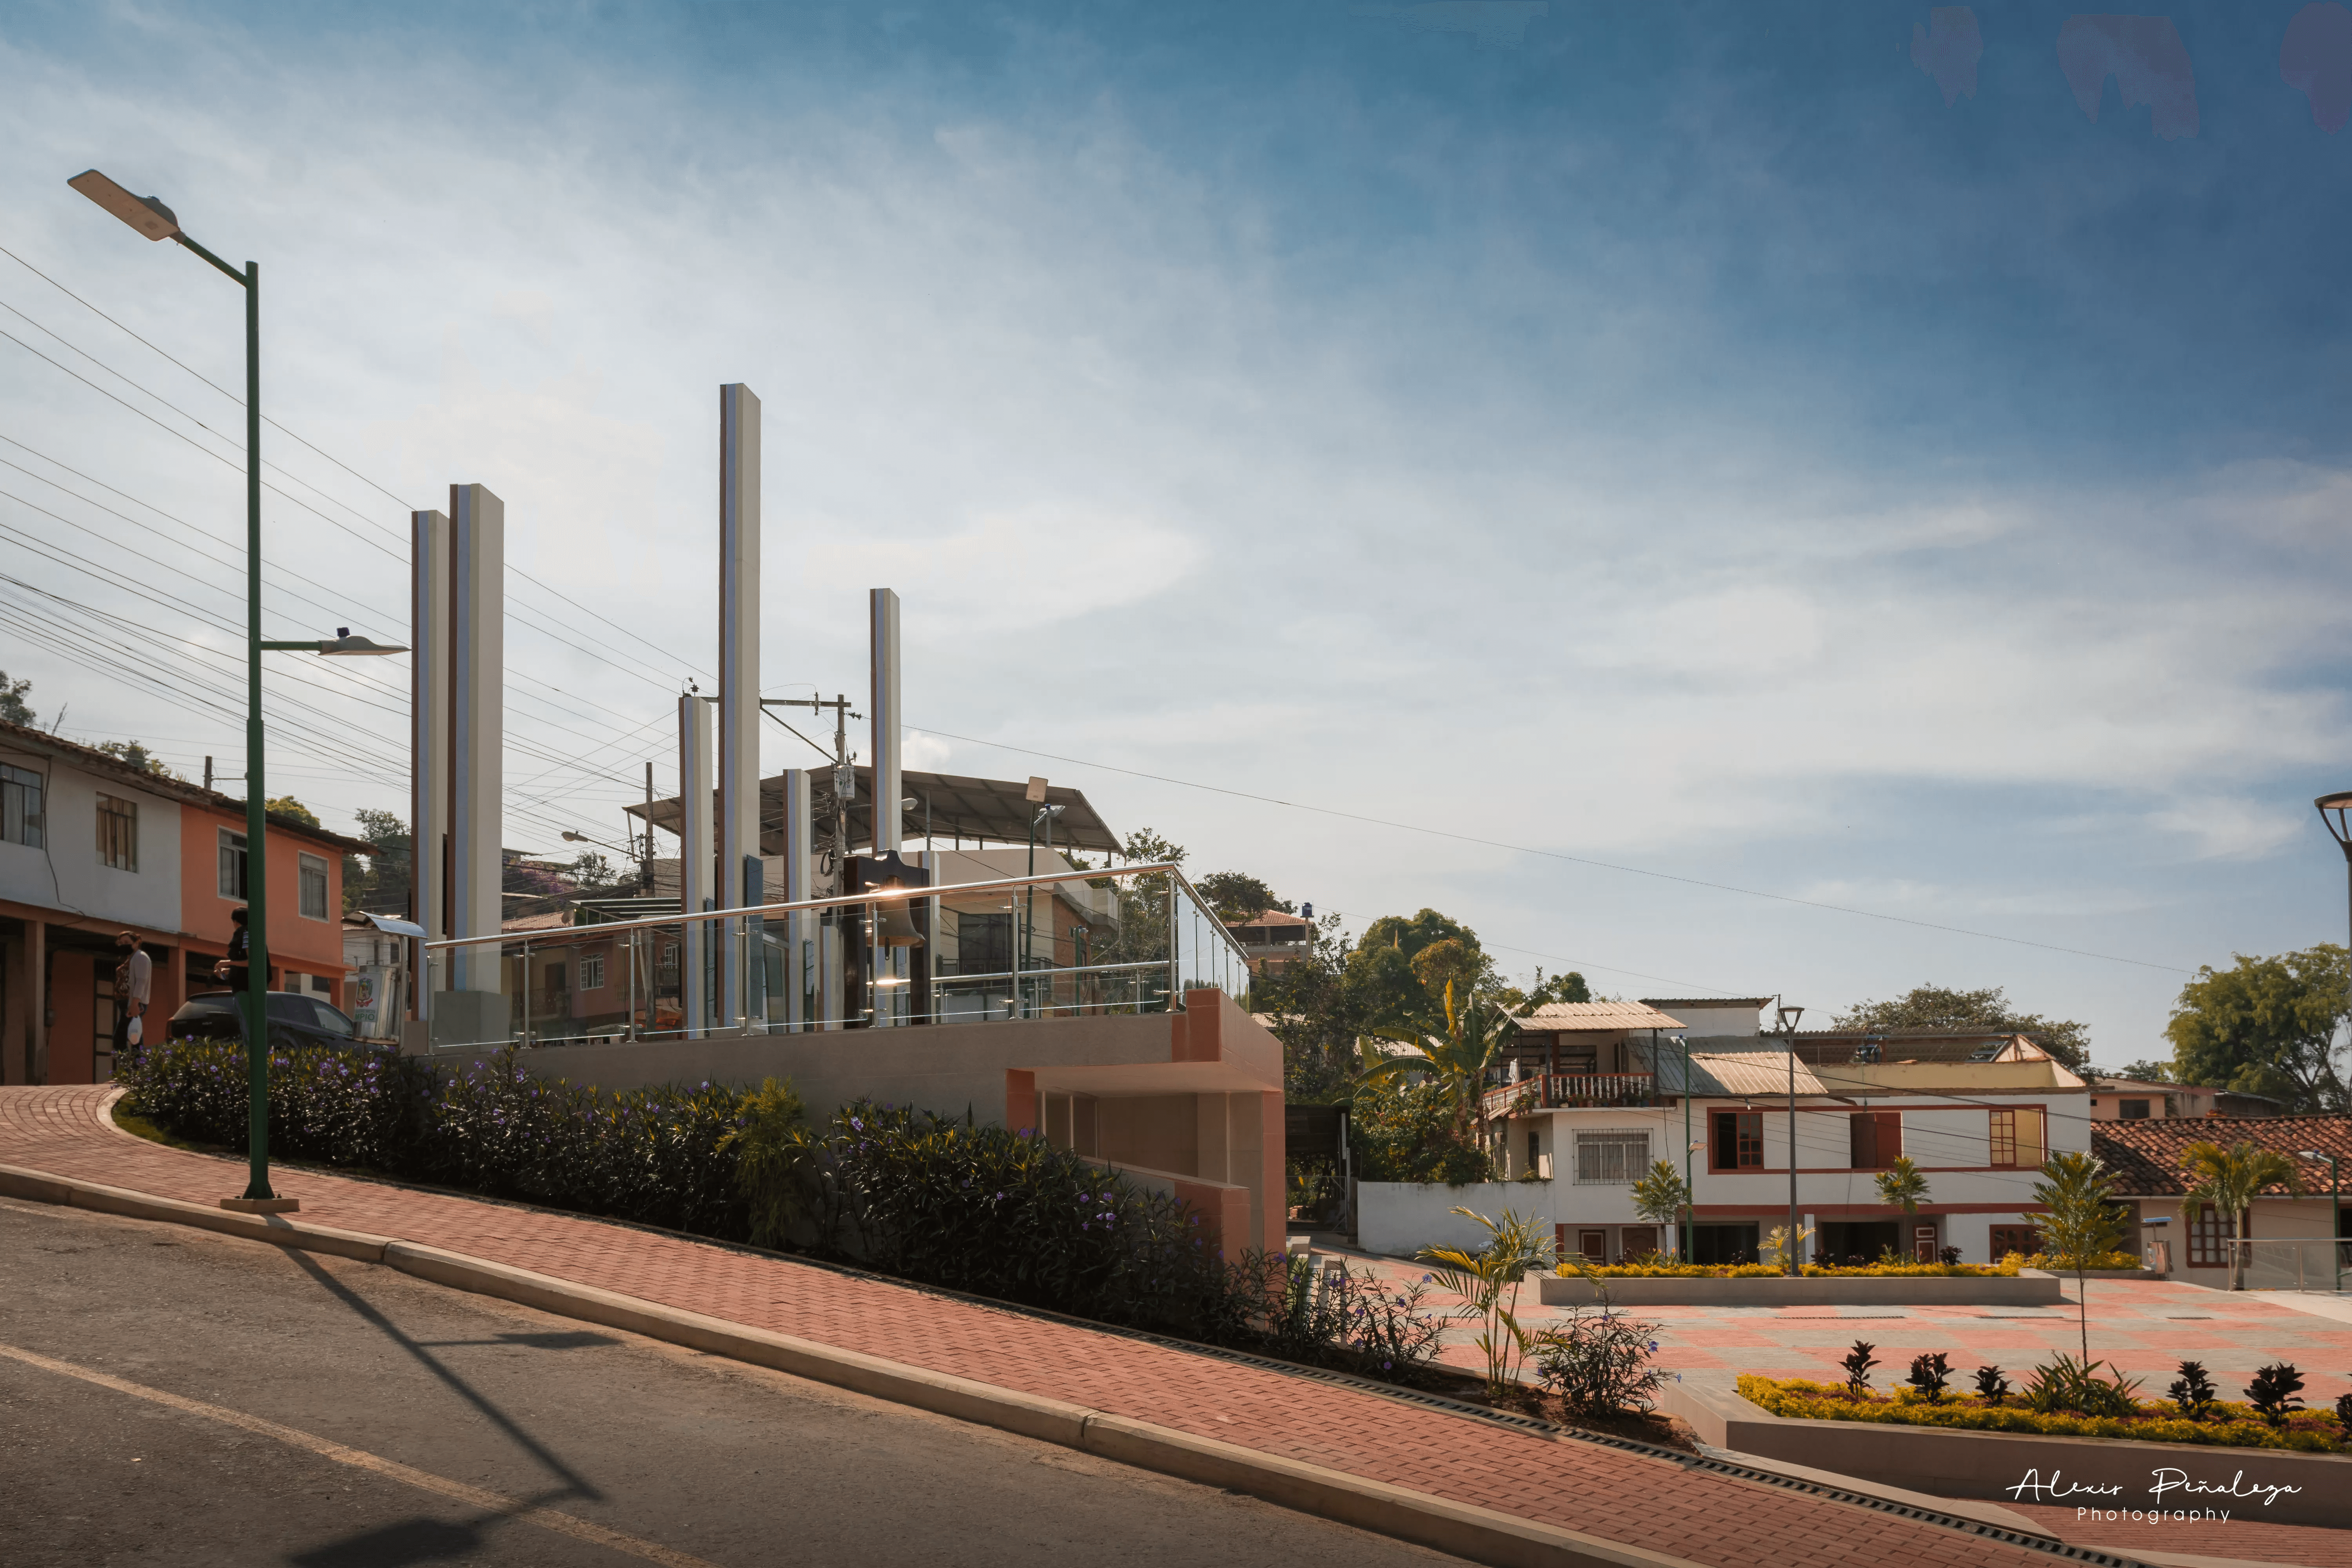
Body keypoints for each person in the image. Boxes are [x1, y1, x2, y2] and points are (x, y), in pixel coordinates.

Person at [113, 931, 151, 1063]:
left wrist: (135, 1003)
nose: (123, 945)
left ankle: (131, 1071)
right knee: (135, 1038)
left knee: (120, 1039)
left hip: (134, 1003)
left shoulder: (141, 957)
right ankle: (140, 1070)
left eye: (127, 943)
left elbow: (142, 981)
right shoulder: (132, 958)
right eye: (121, 943)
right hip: (127, 1003)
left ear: (136, 943)